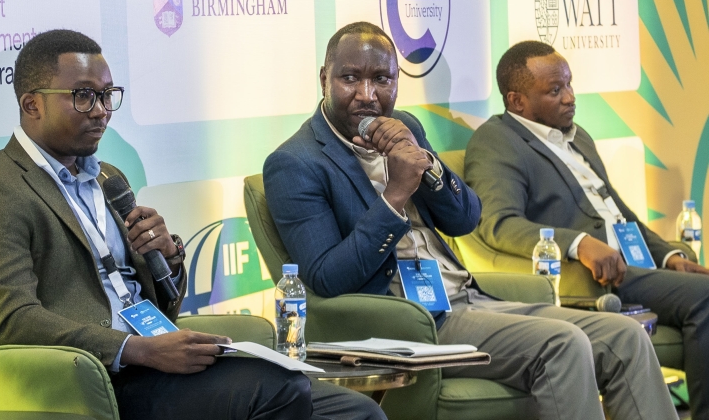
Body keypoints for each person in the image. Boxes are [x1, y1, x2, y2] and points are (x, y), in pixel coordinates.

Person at [0, 29, 384, 420]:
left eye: (108, 95)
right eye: (84, 96)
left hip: (156, 351)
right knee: (282, 390)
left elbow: (160, 304)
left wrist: (168, 256)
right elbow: (14, 319)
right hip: (101, 379)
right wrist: (137, 350)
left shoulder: (108, 178)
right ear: (32, 104)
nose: (102, 111)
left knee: (359, 412)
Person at [263, 22, 676, 420]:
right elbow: (326, 277)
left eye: (382, 80)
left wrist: (427, 167)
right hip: (405, 321)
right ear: (324, 78)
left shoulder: (405, 127)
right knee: (563, 343)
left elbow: (465, 219)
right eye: (350, 78)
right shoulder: (296, 162)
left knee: (625, 336)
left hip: (467, 298)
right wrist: (395, 195)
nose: (367, 95)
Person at [465, 39, 709, 419]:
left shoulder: (578, 136)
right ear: (517, 102)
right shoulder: (497, 141)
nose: (570, 98)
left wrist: (670, 254)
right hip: (597, 274)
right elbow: (498, 224)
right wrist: (578, 244)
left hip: (638, 262)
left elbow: (619, 211)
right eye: (555, 90)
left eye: (569, 84)